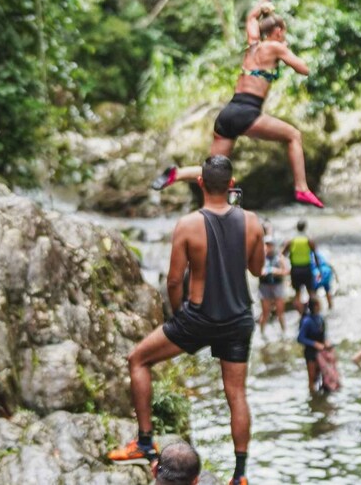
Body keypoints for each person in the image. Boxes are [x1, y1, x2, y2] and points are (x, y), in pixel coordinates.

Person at [107, 156, 263, 485]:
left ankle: (145, 442)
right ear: (232, 184)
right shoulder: (252, 222)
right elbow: (257, 270)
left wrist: (179, 316)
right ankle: (240, 476)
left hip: (198, 316)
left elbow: (174, 281)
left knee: (138, 359)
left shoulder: (188, 225)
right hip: (238, 319)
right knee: (236, 393)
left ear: (201, 183)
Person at [150, 0, 323, 208]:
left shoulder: (253, 44)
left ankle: (176, 174)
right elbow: (304, 69)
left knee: (215, 168)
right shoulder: (275, 46)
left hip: (228, 114)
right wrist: (285, 51)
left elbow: (252, 16)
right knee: (293, 136)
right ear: (279, 31)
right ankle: (301, 188)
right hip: (247, 112)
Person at [284, 219, 321, 311]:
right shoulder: (308, 240)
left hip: (295, 270)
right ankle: (315, 313)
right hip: (307, 269)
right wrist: (319, 269)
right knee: (311, 292)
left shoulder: (291, 241)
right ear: (305, 228)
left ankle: (301, 315)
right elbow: (316, 255)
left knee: (297, 295)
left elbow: (283, 253)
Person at [258, 237, 288, 337]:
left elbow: (286, 271)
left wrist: (275, 271)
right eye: (266, 244)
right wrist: (263, 272)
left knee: (280, 312)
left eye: (270, 245)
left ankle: (284, 332)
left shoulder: (279, 257)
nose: (268, 247)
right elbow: (256, 271)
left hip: (277, 286)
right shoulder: (260, 257)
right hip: (264, 286)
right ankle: (262, 333)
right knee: (265, 312)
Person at [298, 297, 329, 393]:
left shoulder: (320, 318)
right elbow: (300, 338)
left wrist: (326, 342)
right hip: (310, 352)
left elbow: (324, 334)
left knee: (322, 374)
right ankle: (312, 395)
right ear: (315, 306)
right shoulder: (307, 321)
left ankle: (321, 394)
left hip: (321, 351)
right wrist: (315, 344)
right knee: (312, 376)